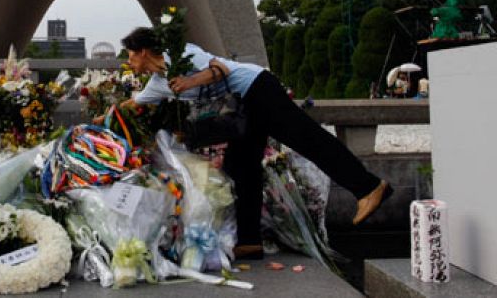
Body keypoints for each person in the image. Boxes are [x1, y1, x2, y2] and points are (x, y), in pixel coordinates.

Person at [109, 27, 392, 259]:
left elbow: (220, 68)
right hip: (245, 106)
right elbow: (132, 104)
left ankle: (368, 187)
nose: (129, 62)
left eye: (130, 55)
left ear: (143, 51)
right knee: (241, 165)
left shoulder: (180, 54)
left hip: (258, 88)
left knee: (307, 139)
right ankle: (249, 241)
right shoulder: (156, 83)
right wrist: (105, 117)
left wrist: (190, 82)